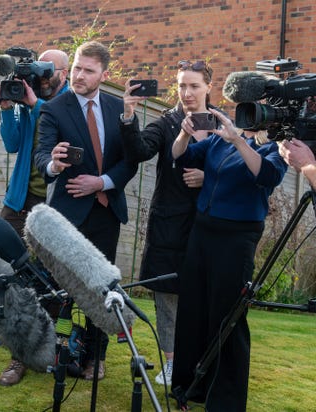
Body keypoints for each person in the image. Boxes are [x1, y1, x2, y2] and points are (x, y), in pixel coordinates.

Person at [170, 107, 287, 410]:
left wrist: (239, 141)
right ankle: (188, 386)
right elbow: (181, 157)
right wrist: (184, 133)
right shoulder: (217, 141)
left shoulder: (273, 147)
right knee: (193, 309)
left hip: (238, 237)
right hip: (203, 231)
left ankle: (224, 400)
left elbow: (267, 176)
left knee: (227, 315)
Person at [34, 41, 138, 380]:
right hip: (66, 217)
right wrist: (54, 163)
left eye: (88, 70)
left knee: (102, 290)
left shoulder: (117, 108)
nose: (79, 75)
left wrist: (102, 182)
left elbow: (129, 161)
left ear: (104, 75)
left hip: (107, 214)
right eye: (77, 67)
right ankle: (33, 351)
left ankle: (96, 357)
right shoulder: (54, 108)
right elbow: (41, 159)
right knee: (48, 287)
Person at [119, 59, 218, 386]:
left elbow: (240, 172)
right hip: (170, 224)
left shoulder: (223, 123)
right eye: (181, 86)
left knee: (204, 297)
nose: (187, 92)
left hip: (211, 224)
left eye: (193, 86)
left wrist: (209, 177)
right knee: (168, 296)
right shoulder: (166, 123)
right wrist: (129, 114)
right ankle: (173, 363)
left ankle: (203, 363)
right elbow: (138, 151)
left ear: (208, 87)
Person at [0, 49, 70, 386]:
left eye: (49, 69)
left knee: (45, 280)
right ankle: (14, 336)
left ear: (63, 73)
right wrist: (8, 110)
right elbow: (13, 144)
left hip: (51, 204)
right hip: (19, 198)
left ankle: (26, 353)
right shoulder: (29, 99)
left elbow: (59, 125)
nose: (42, 76)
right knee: (8, 272)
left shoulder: (68, 104)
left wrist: (33, 104)